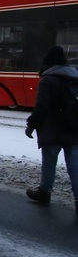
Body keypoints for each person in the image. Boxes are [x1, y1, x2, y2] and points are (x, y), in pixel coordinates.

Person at [25, 45, 78, 214]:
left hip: (52, 129)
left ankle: (45, 192)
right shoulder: (74, 78)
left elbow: (41, 107)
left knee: (49, 162)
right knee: (75, 165)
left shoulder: (47, 80)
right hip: (73, 128)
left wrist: (31, 125)